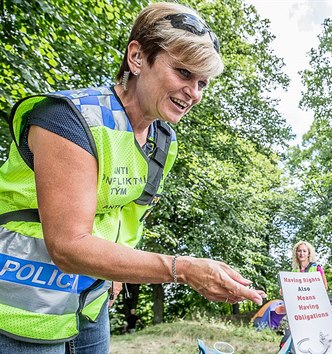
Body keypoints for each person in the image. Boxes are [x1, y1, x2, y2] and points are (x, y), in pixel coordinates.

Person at [0, 3, 265, 353]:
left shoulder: (161, 141)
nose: (195, 93)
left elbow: (127, 219)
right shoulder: (68, 120)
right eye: (184, 73)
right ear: (137, 57)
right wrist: (181, 269)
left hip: (91, 304)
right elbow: (68, 246)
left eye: (202, 83)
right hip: (20, 310)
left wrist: (117, 271)